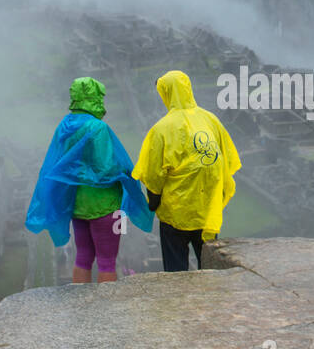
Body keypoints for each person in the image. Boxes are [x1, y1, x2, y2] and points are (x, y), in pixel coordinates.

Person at [25, 76, 153, 283]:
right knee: (107, 261)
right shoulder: (97, 128)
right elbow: (104, 168)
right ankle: (104, 310)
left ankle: (79, 306)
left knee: (83, 257)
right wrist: (124, 172)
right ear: (94, 97)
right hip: (103, 205)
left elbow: (58, 163)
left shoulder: (65, 126)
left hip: (76, 204)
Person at [133, 70, 241, 271]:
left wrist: (153, 202)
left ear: (167, 94)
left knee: (176, 271)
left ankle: (179, 301)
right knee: (209, 267)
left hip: (176, 213)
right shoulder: (210, 120)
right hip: (206, 209)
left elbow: (153, 175)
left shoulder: (161, 129)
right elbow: (225, 159)